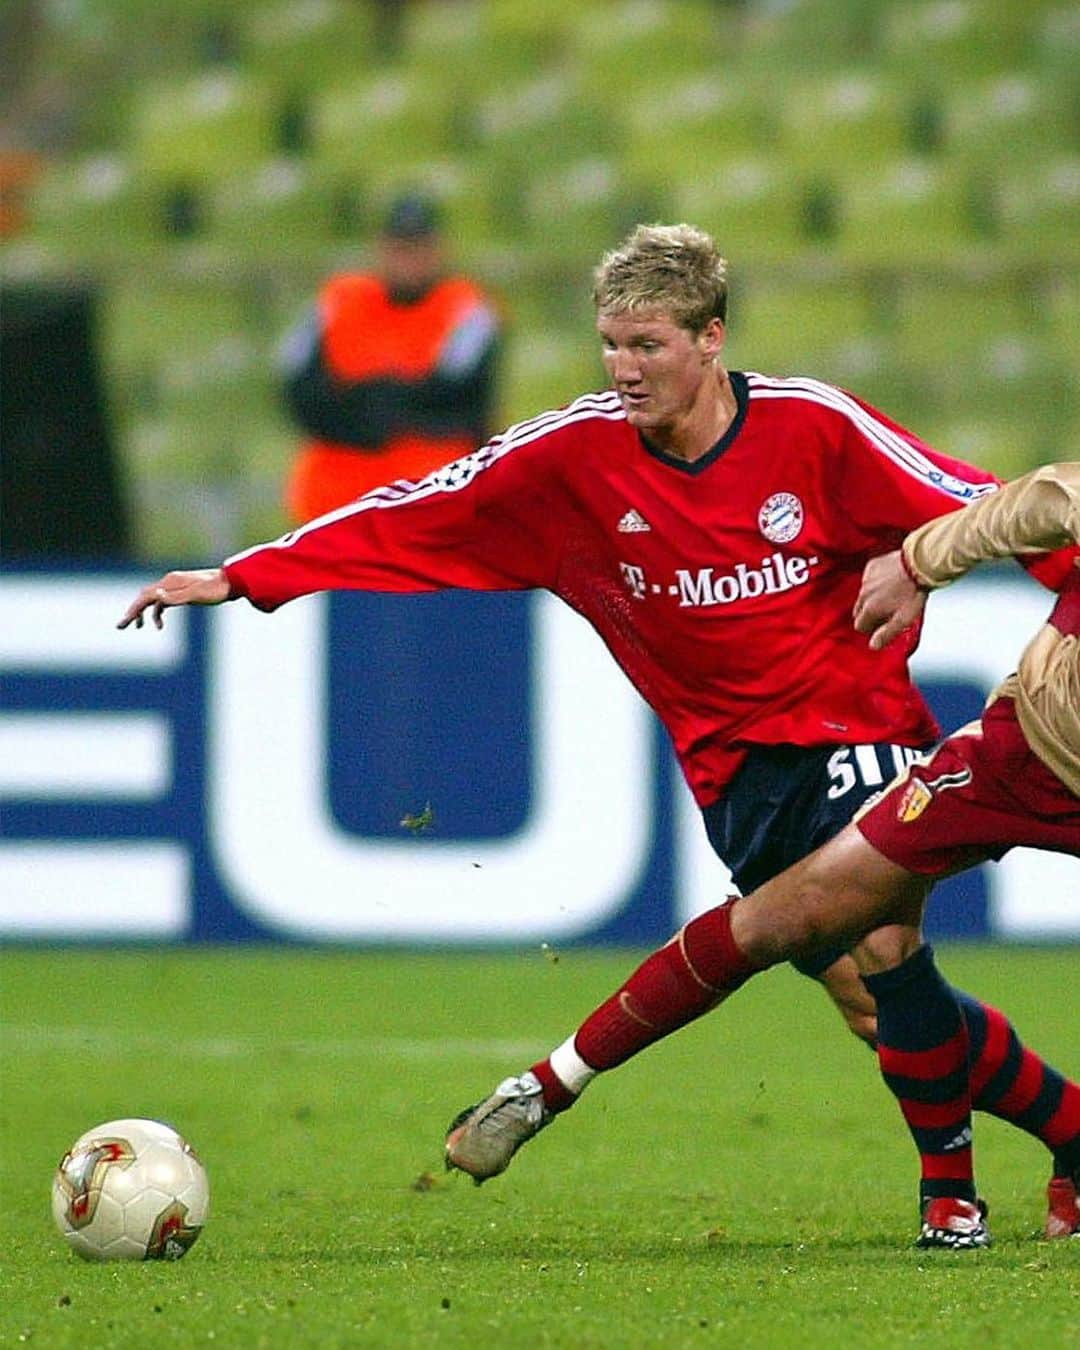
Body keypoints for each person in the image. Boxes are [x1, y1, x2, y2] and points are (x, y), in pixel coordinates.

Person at [118, 224, 1079, 1244]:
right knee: (868, 1001)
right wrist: (248, 575)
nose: (624, 370)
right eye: (611, 346)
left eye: (648, 346)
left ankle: (950, 1205)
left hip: (857, 719)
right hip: (730, 769)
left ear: (711, 339)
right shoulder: (570, 458)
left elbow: (983, 505)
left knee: (884, 939)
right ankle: (1072, 1134)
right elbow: (420, 510)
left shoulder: (813, 427)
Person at [445, 462, 1080, 1248]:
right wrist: (919, 564)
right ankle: (548, 1087)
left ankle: (1016, 1166)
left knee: (873, 959)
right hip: (1019, 754)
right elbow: (1033, 501)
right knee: (812, 919)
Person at [279, 189, 501, 524]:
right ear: (380, 247)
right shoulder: (338, 301)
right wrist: (377, 407)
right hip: (332, 505)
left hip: (426, 505)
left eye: (419, 246)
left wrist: (369, 397)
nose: (409, 258)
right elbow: (299, 390)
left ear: (438, 248)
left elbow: (455, 399)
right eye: (400, 247)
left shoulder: (466, 309)